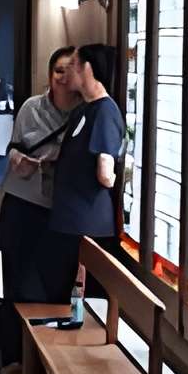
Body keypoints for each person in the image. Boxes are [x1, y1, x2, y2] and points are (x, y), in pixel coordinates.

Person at [0, 46, 79, 374]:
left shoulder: (86, 113)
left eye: (69, 69)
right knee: (17, 281)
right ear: (49, 74)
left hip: (59, 211)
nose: (62, 76)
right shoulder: (32, 107)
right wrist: (18, 159)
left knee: (52, 287)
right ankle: (13, 358)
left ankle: (45, 364)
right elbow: (14, 145)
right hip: (22, 202)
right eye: (57, 69)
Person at [39, 44, 126, 309]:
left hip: (88, 224)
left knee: (81, 302)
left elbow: (105, 171)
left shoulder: (105, 111)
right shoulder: (82, 110)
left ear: (89, 69)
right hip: (67, 220)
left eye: (74, 65)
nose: (68, 73)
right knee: (54, 293)